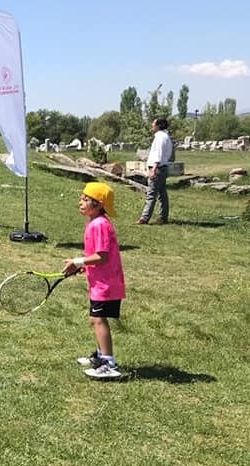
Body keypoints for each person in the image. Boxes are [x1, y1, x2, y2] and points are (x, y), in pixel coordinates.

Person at [63, 182, 126, 380]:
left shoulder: (99, 224)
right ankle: (100, 356)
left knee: (99, 320)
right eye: (81, 198)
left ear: (98, 204)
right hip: (100, 282)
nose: (80, 202)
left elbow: (102, 256)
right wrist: (82, 266)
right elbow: (96, 257)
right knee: (95, 319)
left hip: (106, 284)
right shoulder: (95, 222)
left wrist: (78, 260)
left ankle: (108, 363)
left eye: (85, 199)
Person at [136, 117, 173, 225]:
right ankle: (163, 217)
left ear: (158, 126)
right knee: (162, 195)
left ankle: (144, 218)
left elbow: (159, 155)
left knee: (151, 194)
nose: (152, 125)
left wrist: (154, 169)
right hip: (163, 168)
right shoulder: (166, 136)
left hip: (158, 168)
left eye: (153, 123)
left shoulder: (160, 138)